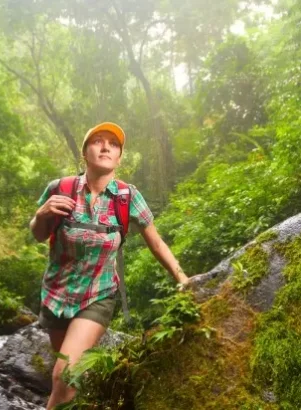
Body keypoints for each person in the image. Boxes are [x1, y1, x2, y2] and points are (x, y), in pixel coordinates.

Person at [29, 122, 190, 409]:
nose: (105, 147)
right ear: (85, 153)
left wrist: (182, 277)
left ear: (119, 158)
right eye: (98, 141)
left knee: (65, 375)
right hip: (56, 296)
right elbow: (39, 234)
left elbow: (156, 243)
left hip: (98, 295)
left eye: (113, 144)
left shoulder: (127, 197)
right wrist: (41, 213)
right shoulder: (61, 189)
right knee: (65, 376)